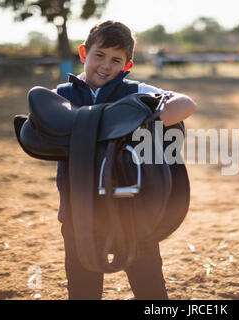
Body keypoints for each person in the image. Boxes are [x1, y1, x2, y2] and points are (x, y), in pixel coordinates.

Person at [54, 20, 197, 300]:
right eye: (99, 55)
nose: (106, 65)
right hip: (79, 209)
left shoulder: (136, 92)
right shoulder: (63, 95)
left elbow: (186, 104)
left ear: (127, 66)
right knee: (82, 287)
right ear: (84, 53)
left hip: (133, 207)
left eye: (116, 60)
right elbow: (41, 127)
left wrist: (142, 120)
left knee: (149, 285)